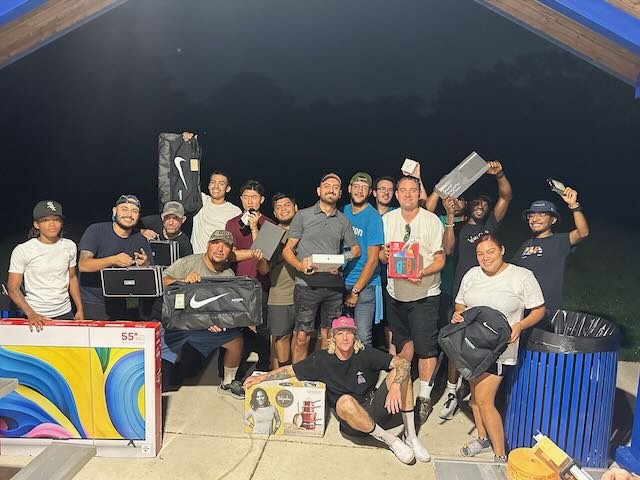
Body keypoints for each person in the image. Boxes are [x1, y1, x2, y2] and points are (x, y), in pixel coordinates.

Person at [244, 316, 431, 464]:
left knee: (402, 372)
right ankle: (391, 440)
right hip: (352, 420)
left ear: (355, 336)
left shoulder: (364, 352)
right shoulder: (321, 359)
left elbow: (402, 363)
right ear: (333, 337)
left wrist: (396, 384)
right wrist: (263, 377)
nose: (345, 338)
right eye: (340, 333)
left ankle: (411, 436)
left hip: (374, 406)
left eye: (349, 333)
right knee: (345, 401)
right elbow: (290, 370)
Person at [453, 234, 545, 463]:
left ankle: (500, 455)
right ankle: (482, 438)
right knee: (475, 397)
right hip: (471, 345)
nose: (485, 258)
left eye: (490, 251)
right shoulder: (472, 274)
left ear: (502, 250)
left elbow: (539, 309)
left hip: (499, 350)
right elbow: (460, 302)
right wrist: (458, 314)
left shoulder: (521, 276)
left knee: (485, 400)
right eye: (480, 254)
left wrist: (520, 325)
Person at [379, 175, 445, 426]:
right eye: (403, 190)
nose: (407, 194)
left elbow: (440, 259)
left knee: (426, 347)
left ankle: (424, 396)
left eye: (412, 190)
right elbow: (382, 257)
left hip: (425, 294)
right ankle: (401, 383)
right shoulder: (387, 220)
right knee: (402, 342)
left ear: (419, 194)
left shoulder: (431, 221)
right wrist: (385, 255)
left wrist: (423, 272)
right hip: (396, 292)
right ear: (396, 195)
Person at [282, 173, 361, 362]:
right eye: (327, 186)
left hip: (333, 287)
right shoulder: (302, 215)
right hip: (306, 285)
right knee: (302, 336)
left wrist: (341, 260)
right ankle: (299, 375)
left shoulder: (343, 220)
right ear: (318, 191)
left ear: (340, 193)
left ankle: (326, 376)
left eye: (335, 187)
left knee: (329, 336)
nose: (331, 190)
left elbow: (356, 250)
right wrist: (299, 265)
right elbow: (287, 250)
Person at [161, 230, 247, 399]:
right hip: (178, 323)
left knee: (236, 342)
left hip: (205, 326)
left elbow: (226, 306)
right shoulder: (188, 262)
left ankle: (227, 382)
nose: (220, 249)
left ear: (231, 251)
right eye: (215, 243)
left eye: (225, 246)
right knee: (165, 379)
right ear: (208, 245)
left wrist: (221, 322)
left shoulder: (228, 275)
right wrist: (182, 280)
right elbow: (162, 281)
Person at [8, 200, 83, 332]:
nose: (52, 224)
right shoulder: (23, 250)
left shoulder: (69, 246)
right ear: (36, 224)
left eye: (56, 219)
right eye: (45, 220)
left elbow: (72, 277)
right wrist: (31, 314)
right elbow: (13, 287)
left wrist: (79, 309)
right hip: (35, 315)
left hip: (64, 312)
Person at [512, 186, 589, 313]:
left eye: (542, 214)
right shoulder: (525, 244)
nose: (535, 219)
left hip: (546, 308)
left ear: (553, 220)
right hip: (521, 305)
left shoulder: (559, 241)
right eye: (531, 215)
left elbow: (583, 233)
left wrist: (574, 206)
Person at [78, 194, 153, 320]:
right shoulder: (96, 230)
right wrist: (113, 260)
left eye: (134, 211)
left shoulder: (141, 239)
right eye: (124, 209)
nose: (129, 215)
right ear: (114, 211)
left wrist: (145, 265)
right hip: (95, 301)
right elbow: (83, 265)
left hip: (127, 302)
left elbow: (150, 275)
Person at [225, 180, 272, 372]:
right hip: (238, 283)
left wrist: (254, 228)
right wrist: (252, 252)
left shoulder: (269, 224)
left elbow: (264, 257)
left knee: (263, 328)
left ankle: (263, 366)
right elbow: (229, 255)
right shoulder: (231, 223)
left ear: (262, 200)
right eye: (246, 197)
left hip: (261, 283)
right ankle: (235, 368)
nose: (250, 201)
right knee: (237, 327)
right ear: (241, 199)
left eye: (254, 197)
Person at [343, 172, 384, 347]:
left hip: (364, 286)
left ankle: (365, 366)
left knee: (362, 336)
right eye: (356, 187)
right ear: (349, 188)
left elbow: (373, 259)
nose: (360, 191)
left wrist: (355, 291)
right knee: (343, 335)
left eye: (364, 188)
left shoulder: (373, 217)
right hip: (342, 282)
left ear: (369, 192)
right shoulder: (343, 211)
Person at [266, 193, 298, 368]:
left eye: (287, 205)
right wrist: (262, 255)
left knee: (303, 336)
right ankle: (284, 370)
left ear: (296, 208)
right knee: (281, 336)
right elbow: (262, 269)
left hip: (306, 292)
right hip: (280, 294)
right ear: (274, 213)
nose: (283, 209)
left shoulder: (306, 230)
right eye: (278, 207)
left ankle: (299, 372)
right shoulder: (270, 233)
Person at [191, 170, 241, 254]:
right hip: (197, 258)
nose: (216, 186)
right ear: (209, 185)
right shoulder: (200, 201)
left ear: (228, 188)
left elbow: (237, 240)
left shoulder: (235, 211)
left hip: (219, 259)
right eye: (213, 182)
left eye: (221, 183)